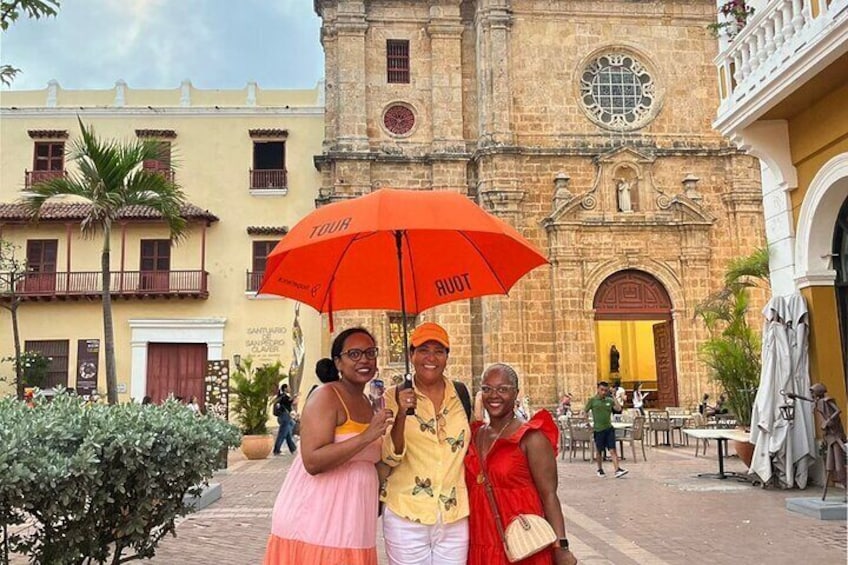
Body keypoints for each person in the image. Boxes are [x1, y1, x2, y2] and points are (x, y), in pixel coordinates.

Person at [263, 327, 397, 564]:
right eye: (354, 354)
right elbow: (313, 461)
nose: (364, 359)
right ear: (338, 362)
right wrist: (367, 436)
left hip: (355, 521)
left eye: (370, 352)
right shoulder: (326, 396)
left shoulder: (369, 401)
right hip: (318, 519)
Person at [465, 363, 577, 565]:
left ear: (516, 393)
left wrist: (561, 548)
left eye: (502, 389)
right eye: (487, 389)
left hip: (523, 544)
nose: (494, 395)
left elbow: (549, 496)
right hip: (481, 540)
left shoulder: (531, 439)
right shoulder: (475, 434)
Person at [381, 322, 471, 565]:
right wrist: (401, 413)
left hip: (453, 514)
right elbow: (390, 457)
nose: (431, 357)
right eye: (423, 350)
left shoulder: (460, 395)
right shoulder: (392, 396)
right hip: (406, 513)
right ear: (411, 355)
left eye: (439, 351)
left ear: (447, 357)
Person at [585, 381, 628, 479]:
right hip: (598, 430)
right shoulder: (592, 400)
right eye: (602, 390)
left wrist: (613, 397)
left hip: (609, 428)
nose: (603, 392)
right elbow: (585, 411)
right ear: (598, 389)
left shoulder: (609, 400)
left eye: (605, 390)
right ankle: (600, 469)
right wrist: (587, 424)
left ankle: (617, 469)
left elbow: (618, 408)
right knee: (599, 451)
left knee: (612, 449)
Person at [272, 384, 297, 455]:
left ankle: (293, 448)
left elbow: (289, 402)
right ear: (285, 388)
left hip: (283, 417)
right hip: (285, 417)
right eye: (288, 387)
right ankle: (277, 450)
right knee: (282, 434)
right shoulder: (284, 396)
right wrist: (295, 397)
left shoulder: (281, 396)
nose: (290, 389)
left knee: (287, 433)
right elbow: (291, 403)